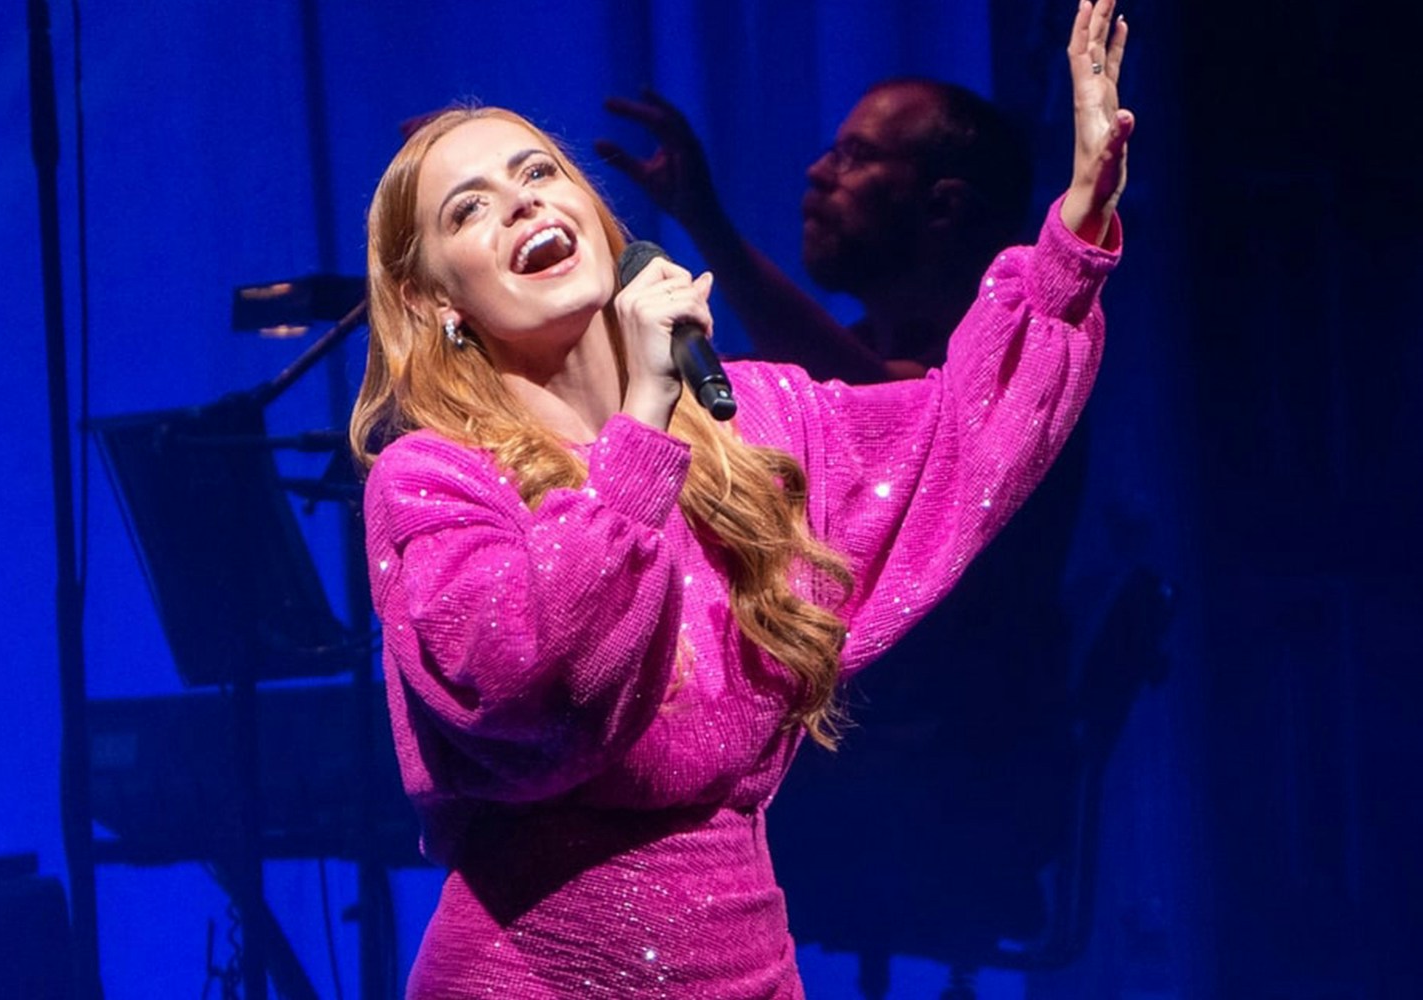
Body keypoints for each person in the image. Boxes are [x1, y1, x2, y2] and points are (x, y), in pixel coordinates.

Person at [349, 3, 1132, 996]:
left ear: (594, 217)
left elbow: (952, 437)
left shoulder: (751, 424)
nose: (518, 204)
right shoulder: (433, 476)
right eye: (467, 208)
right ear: (435, 302)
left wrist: (1073, 225)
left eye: (538, 173)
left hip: (746, 961)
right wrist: (636, 427)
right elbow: (534, 682)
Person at [597, 77, 1032, 383]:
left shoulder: (1012, 354)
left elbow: (876, 398)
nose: (817, 171)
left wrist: (707, 222)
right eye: (833, 151)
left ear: (943, 206)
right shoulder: (863, 343)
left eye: (855, 155)